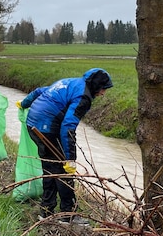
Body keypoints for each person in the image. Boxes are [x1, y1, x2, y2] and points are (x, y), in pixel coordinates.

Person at [17, 68, 113, 225]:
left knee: (50, 168)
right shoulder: (84, 97)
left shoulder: (72, 82)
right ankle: (68, 215)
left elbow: (39, 91)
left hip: (33, 123)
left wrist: (24, 103)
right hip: (46, 128)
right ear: (96, 85)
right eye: (103, 89)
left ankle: (46, 211)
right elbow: (68, 127)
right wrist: (70, 159)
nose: (103, 93)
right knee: (63, 172)